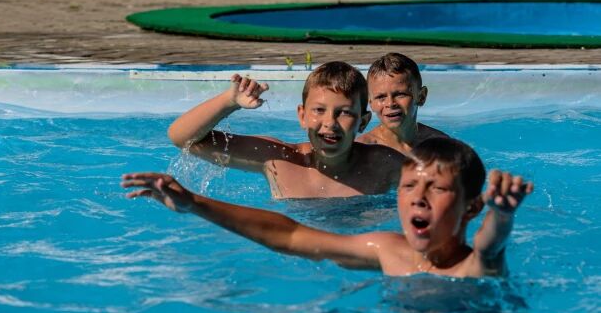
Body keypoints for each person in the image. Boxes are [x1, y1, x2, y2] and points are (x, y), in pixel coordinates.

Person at [122, 138, 532, 278]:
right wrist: (194, 203)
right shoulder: (389, 251)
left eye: (437, 189)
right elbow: (290, 235)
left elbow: (490, 245)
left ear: (470, 208)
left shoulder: (472, 266)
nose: (418, 198)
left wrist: (502, 213)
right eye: (408, 186)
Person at [167, 61, 404, 199]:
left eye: (344, 113)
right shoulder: (279, 160)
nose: (329, 122)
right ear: (302, 115)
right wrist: (229, 101)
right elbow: (183, 139)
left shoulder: (384, 164)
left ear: (363, 122)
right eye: (319, 110)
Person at [357, 53, 448, 155]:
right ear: (371, 103)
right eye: (381, 97)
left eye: (400, 94)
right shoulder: (363, 150)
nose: (390, 103)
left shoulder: (441, 145)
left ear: (421, 97)